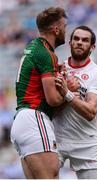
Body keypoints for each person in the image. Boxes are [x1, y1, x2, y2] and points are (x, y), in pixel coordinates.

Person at [10, 7, 67, 179]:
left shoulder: (33, 47)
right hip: (34, 119)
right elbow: (53, 100)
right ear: (56, 29)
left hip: (22, 119)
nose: (66, 30)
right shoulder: (46, 52)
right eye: (65, 26)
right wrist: (69, 92)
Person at [53, 26, 97, 179]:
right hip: (55, 138)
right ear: (70, 42)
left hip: (84, 142)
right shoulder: (56, 68)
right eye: (76, 39)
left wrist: (66, 93)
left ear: (92, 47)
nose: (79, 43)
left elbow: (91, 112)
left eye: (85, 40)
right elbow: (47, 106)